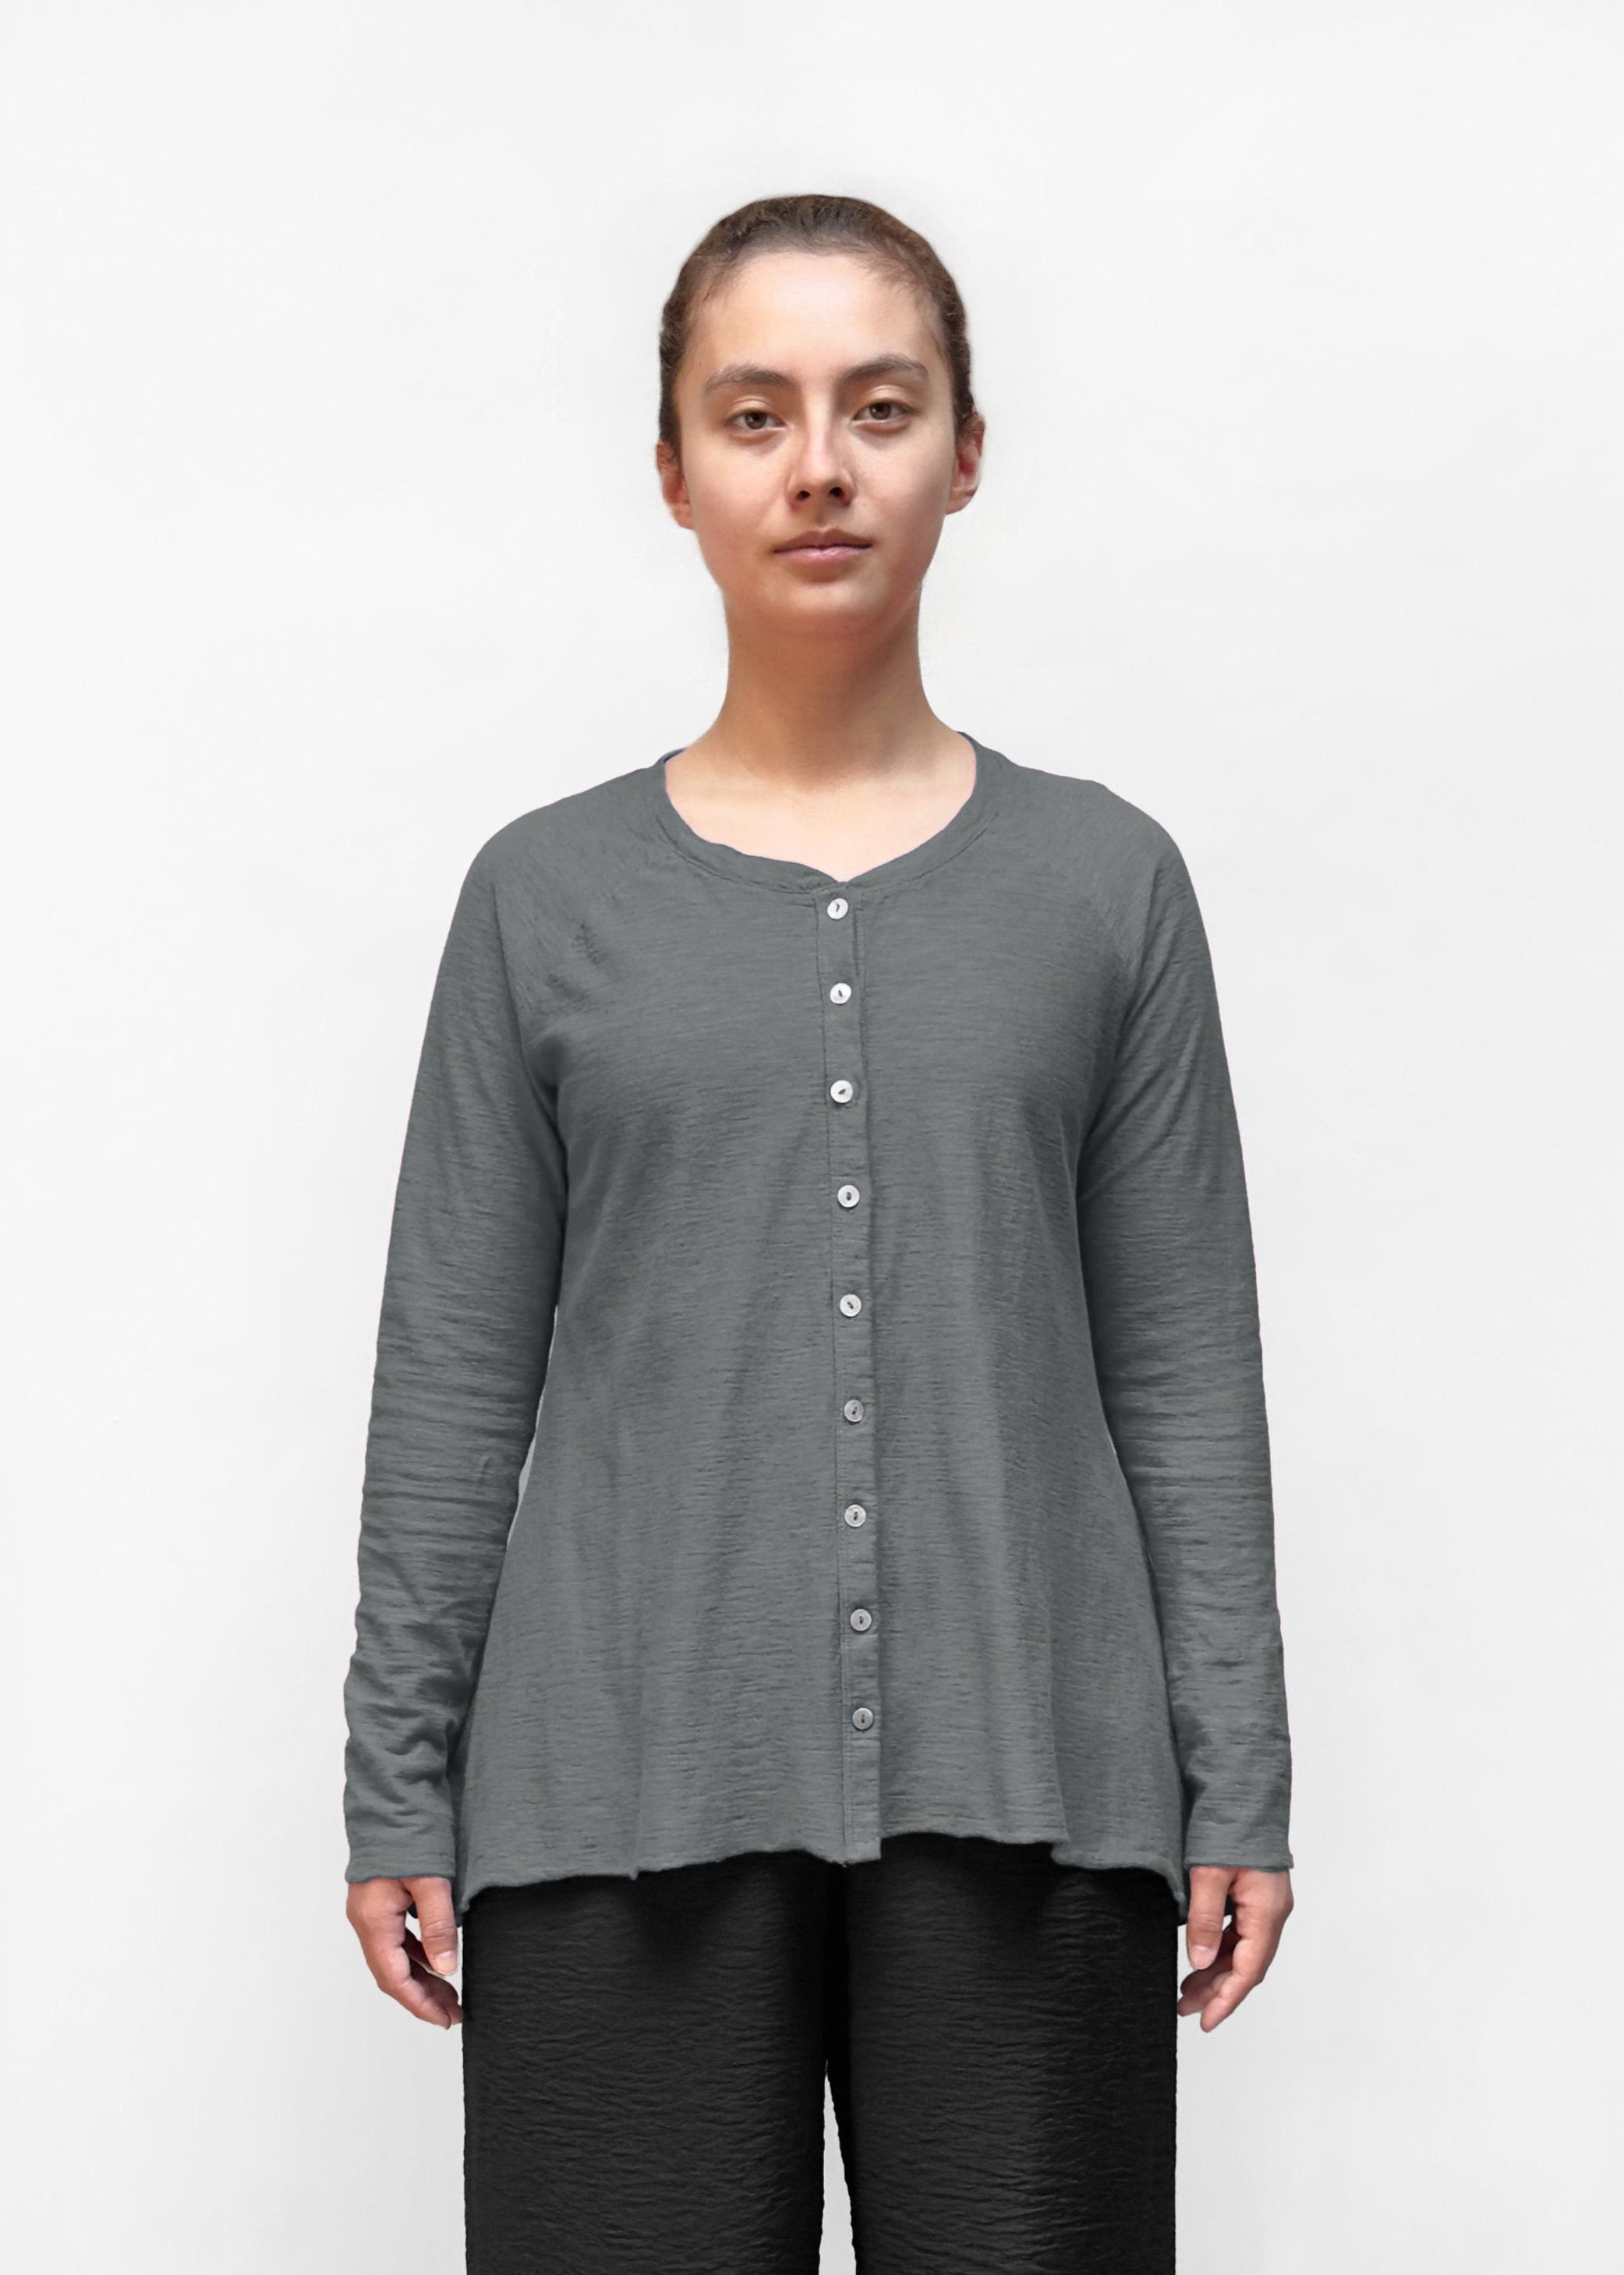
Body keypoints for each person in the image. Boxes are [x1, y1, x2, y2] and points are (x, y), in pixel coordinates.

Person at [341, 191, 1295, 2272]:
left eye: (879, 405)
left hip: (1034, 1787)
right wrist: (398, 1780)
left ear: (966, 451)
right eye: (753, 413)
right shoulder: (541, 901)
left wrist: (1233, 1774)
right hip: (615, 1794)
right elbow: (455, 1371)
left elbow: (1178, 1367)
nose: (820, 467)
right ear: (672, 469)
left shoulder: (1105, 887)